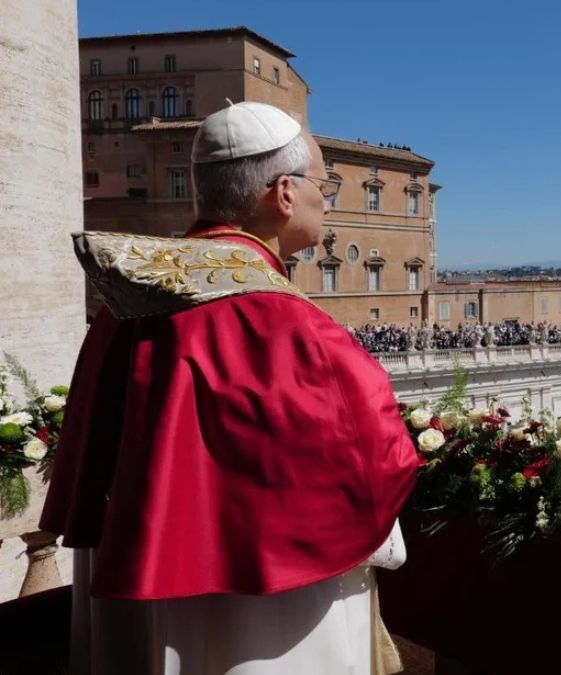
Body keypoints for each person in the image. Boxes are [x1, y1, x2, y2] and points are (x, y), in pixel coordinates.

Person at [40, 101, 419, 674]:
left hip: (142, 572)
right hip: (268, 606)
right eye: (324, 185)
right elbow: (376, 455)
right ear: (284, 193)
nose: (327, 200)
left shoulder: (128, 302)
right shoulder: (286, 320)